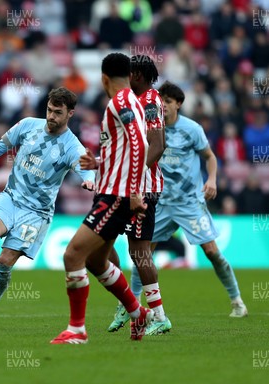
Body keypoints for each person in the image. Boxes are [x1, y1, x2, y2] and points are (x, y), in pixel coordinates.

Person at [0, 87, 95, 331]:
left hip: (36, 213)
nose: (51, 116)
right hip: (11, 196)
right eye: (50, 110)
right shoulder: (28, 125)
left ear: (70, 114)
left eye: (58, 113)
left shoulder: (72, 146)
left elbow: (84, 165)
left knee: (5, 260)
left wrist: (88, 179)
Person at [50, 53, 152, 345]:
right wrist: (98, 163)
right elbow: (124, 148)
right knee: (96, 261)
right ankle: (137, 312)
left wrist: (134, 191)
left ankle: (77, 330)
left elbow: (140, 144)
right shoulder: (129, 101)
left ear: (104, 78)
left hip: (116, 196)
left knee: (72, 255)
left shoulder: (119, 102)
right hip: (111, 191)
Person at [82, 55, 171, 335]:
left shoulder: (150, 101)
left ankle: (157, 315)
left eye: (131, 73)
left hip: (142, 189)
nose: (126, 77)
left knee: (139, 253)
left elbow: (157, 145)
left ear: (140, 76)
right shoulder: (130, 101)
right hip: (123, 187)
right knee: (103, 247)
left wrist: (134, 176)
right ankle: (129, 304)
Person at [154, 81, 248, 317]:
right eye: (160, 101)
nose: (163, 105)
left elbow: (210, 157)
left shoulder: (192, 129)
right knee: (142, 253)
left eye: (168, 101)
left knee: (211, 251)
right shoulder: (151, 128)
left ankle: (237, 301)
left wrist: (212, 179)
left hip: (189, 203)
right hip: (161, 202)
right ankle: (131, 307)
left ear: (178, 104)